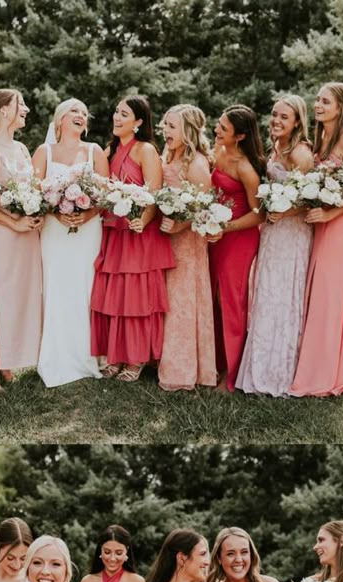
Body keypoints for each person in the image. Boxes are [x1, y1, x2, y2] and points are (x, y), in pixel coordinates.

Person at [89, 95, 175, 382]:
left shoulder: (145, 150)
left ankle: (137, 359)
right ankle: (116, 355)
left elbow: (154, 191)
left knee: (137, 298)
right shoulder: (108, 151)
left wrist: (144, 219)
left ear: (138, 122)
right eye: (115, 112)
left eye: (123, 114)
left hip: (139, 233)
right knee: (115, 296)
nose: (116, 117)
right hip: (114, 232)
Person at [237, 96, 314, 396]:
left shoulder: (300, 153)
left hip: (292, 233)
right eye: (274, 115)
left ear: (297, 121)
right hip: (272, 231)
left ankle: (280, 373)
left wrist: (286, 212)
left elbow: (310, 197)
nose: (277, 121)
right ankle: (257, 368)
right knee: (266, 293)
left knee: (283, 294)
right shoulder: (276, 149)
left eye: (284, 117)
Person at [290, 83, 343, 397]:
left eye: (325, 101)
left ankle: (326, 375)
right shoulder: (320, 139)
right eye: (317, 100)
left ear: (341, 107)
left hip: (342, 226)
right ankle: (310, 366)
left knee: (330, 298)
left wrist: (331, 215)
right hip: (319, 224)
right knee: (315, 294)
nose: (318, 105)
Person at [32, 98, 108, 387]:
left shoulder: (94, 151)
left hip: (88, 230)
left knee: (85, 287)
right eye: (74, 111)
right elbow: (33, 193)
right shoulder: (44, 152)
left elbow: (106, 192)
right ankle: (54, 357)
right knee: (55, 286)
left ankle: (87, 356)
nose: (80, 115)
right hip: (54, 230)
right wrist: (56, 212)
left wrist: (86, 213)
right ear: (60, 119)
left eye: (84, 113)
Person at [0, 89, 43, 392]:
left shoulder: (23, 149)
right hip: (2, 232)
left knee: (18, 294)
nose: (26, 109)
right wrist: (13, 221)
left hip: (27, 233)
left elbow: (33, 188)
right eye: (20, 105)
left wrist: (37, 209)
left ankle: (5, 359)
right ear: (4, 110)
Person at [157, 105, 218, 391]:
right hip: (165, 238)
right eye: (165, 125)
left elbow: (205, 209)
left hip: (187, 242)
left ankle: (181, 370)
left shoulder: (196, 164)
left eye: (171, 126)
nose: (165, 131)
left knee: (182, 303)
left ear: (188, 131)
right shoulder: (169, 155)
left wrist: (180, 226)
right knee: (167, 300)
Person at [207, 105, 265, 391]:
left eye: (224, 128)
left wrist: (225, 228)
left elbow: (259, 215)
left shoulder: (246, 168)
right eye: (218, 124)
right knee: (214, 299)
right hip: (215, 236)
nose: (217, 129)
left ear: (240, 136)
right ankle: (215, 362)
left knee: (231, 301)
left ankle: (231, 373)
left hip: (238, 238)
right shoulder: (217, 153)